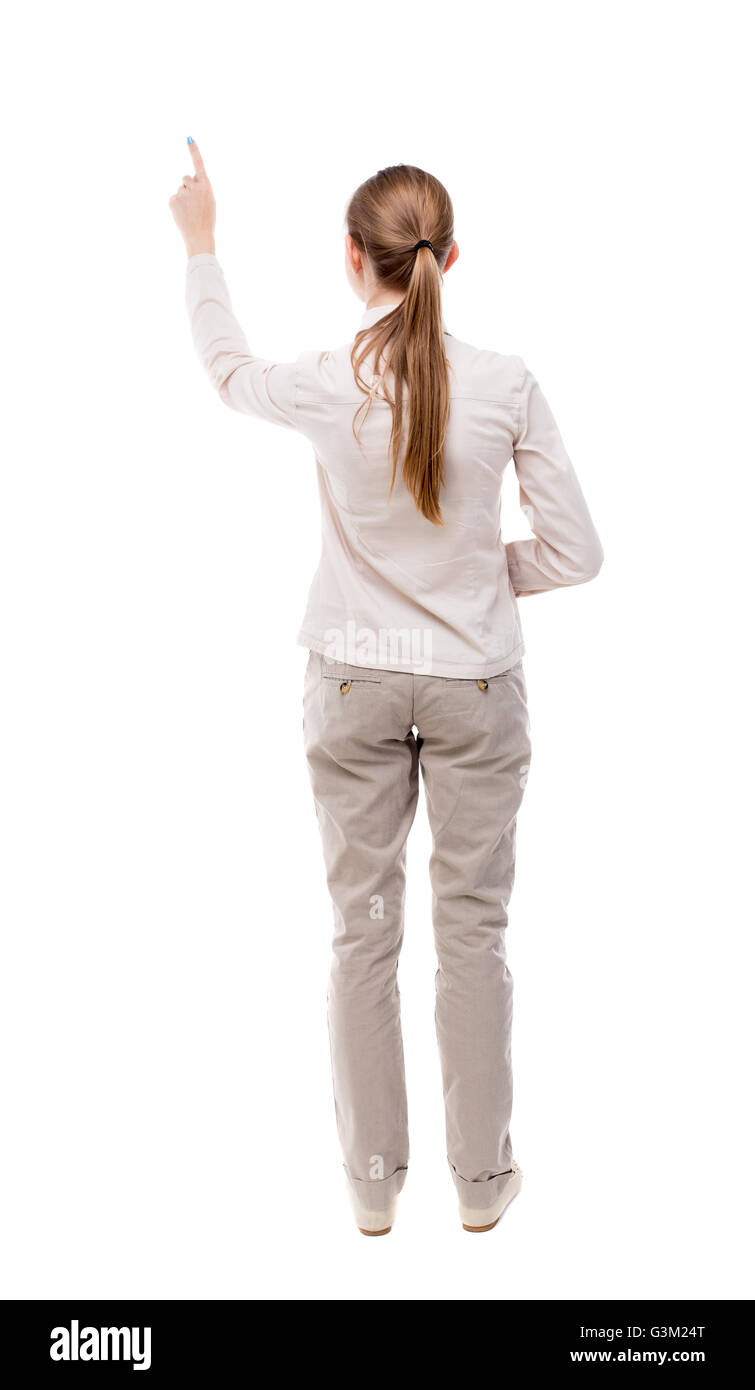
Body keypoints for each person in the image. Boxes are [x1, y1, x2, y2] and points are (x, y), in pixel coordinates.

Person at [170, 138, 604, 1236]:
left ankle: (371, 1189)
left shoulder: (326, 380)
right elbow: (576, 552)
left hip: (353, 688)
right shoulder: (505, 382)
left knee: (360, 935)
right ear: (450, 258)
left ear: (353, 260)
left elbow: (226, 373)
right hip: (475, 690)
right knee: (472, 936)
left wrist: (202, 243)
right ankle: (480, 1189)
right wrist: (478, 578)